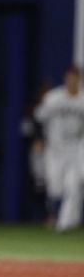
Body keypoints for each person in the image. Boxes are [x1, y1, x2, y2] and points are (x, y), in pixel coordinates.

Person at [36, 65, 84, 231]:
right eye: (70, 77)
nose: (72, 80)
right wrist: (39, 139)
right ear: (65, 78)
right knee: (55, 189)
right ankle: (70, 217)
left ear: (80, 79)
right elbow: (39, 118)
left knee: (74, 184)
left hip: (75, 149)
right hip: (55, 150)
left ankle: (65, 223)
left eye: (76, 77)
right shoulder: (53, 98)